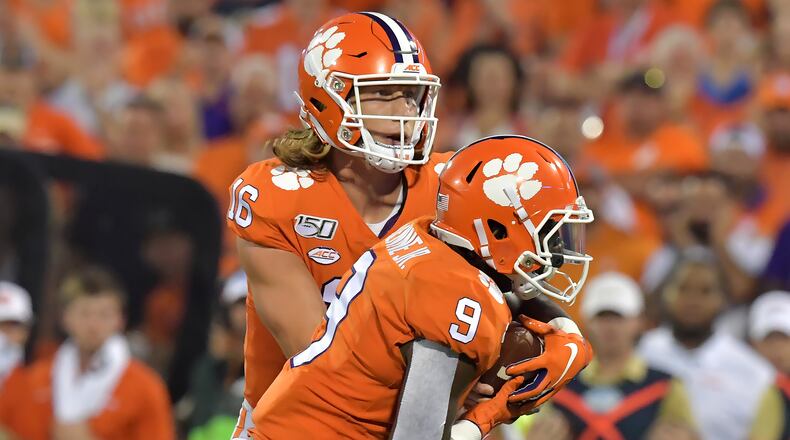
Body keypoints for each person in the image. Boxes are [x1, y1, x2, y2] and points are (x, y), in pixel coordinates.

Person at [252, 135, 594, 439]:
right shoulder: (456, 299)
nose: (557, 252)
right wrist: (491, 415)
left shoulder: (428, 238)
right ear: (498, 229)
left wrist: (568, 333)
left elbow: (508, 293)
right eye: (549, 231)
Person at [5, 267, 175, 440]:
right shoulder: (36, 378)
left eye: (104, 315)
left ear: (120, 320)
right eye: (84, 314)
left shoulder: (145, 388)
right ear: (64, 317)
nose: (93, 325)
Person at [525, 272, 696, 440]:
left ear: (639, 321)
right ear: (586, 322)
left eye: (618, 316)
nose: (610, 326)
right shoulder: (558, 385)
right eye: (602, 316)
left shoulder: (667, 386)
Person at [638, 249, 775, 440]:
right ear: (666, 293)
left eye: (706, 291)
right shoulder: (640, 354)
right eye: (683, 288)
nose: (693, 300)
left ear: (723, 298)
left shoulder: (752, 371)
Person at [748, 290, 790, 440]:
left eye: (784, 338)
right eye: (769, 339)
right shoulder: (739, 387)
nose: (777, 348)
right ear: (753, 343)